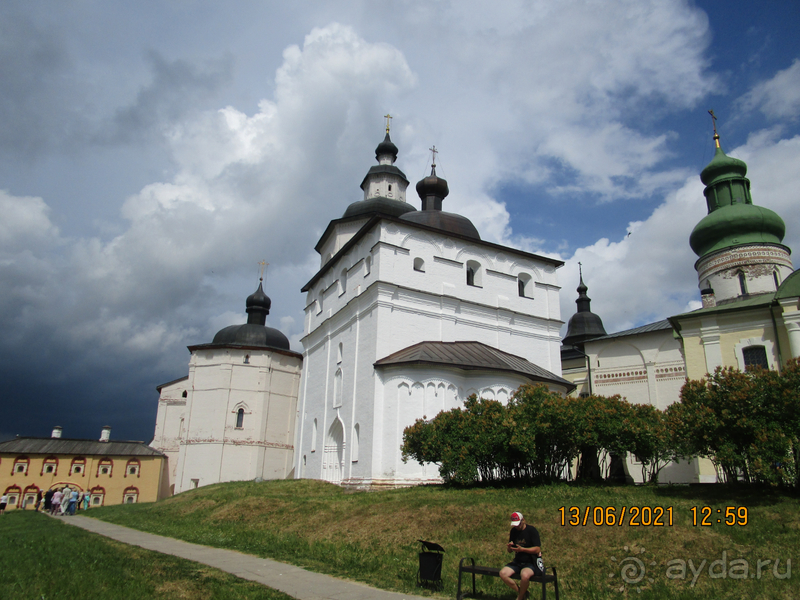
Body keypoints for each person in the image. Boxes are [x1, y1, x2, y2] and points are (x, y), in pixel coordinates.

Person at [499, 511, 544, 600]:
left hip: (530, 562)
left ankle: (520, 597)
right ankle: (522, 593)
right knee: (503, 573)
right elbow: (509, 551)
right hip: (518, 561)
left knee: (525, 575)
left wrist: (523, 549)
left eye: (518, 524)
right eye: (515, 525)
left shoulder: (531, 531)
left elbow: (537, 549)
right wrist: (509, 547)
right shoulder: (513, 531)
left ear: (523, 520)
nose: (517, 527)